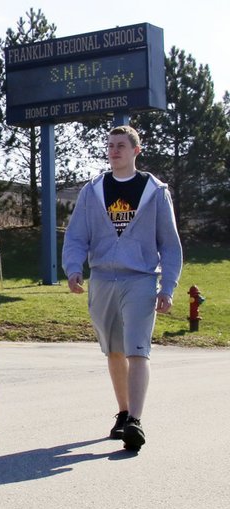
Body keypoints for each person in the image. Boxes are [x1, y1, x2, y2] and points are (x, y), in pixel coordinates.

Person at [62, 125, 182, 452]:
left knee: (137, 349)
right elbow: (75, 237)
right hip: (102, 278)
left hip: (140, 278)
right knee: (114, 350)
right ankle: (124, 411)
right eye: (110, 146)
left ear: (135, 151)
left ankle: (136, 422)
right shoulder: (94, 190)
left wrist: (167, 286)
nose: (114, 151)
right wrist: (73, 268)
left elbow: (170, 245)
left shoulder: (154, 191)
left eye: (121, 146)